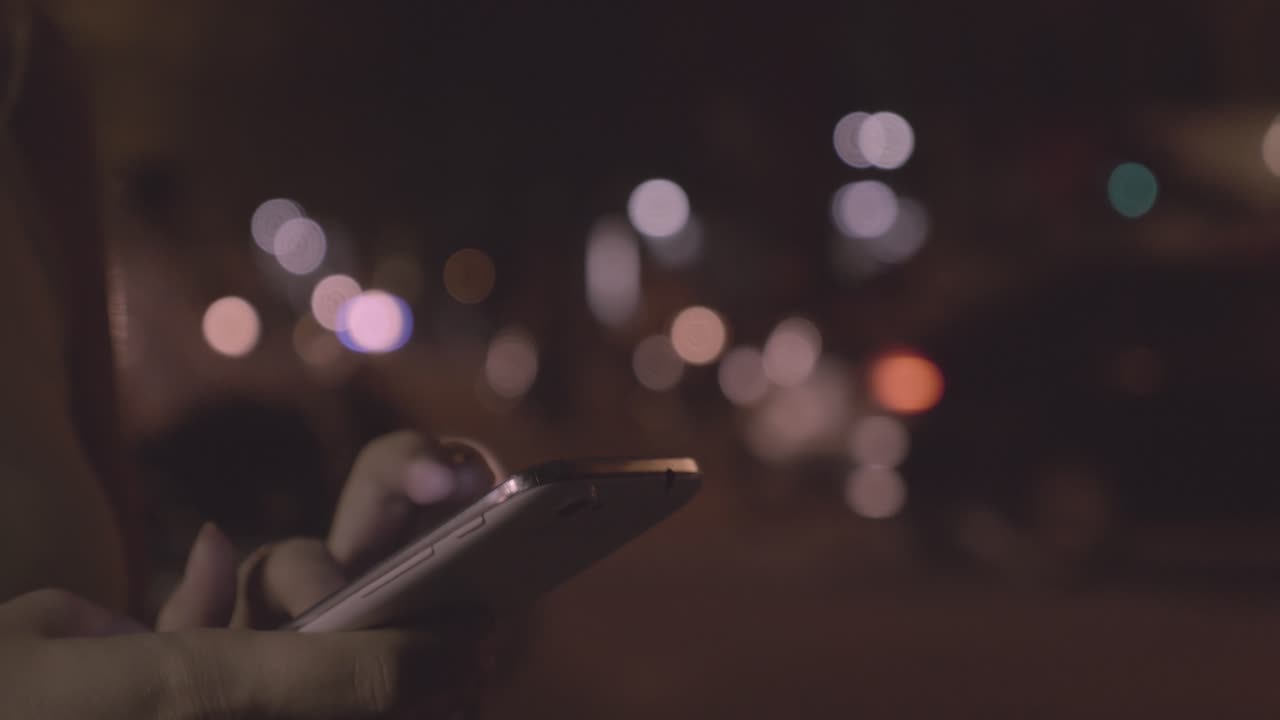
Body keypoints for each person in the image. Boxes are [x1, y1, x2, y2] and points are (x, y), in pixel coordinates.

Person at [0, 4, 496, 717]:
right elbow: (190, 370)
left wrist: (208, 652)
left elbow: (114, 616)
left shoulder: (25, 71)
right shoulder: (145, 273)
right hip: (188, 428)